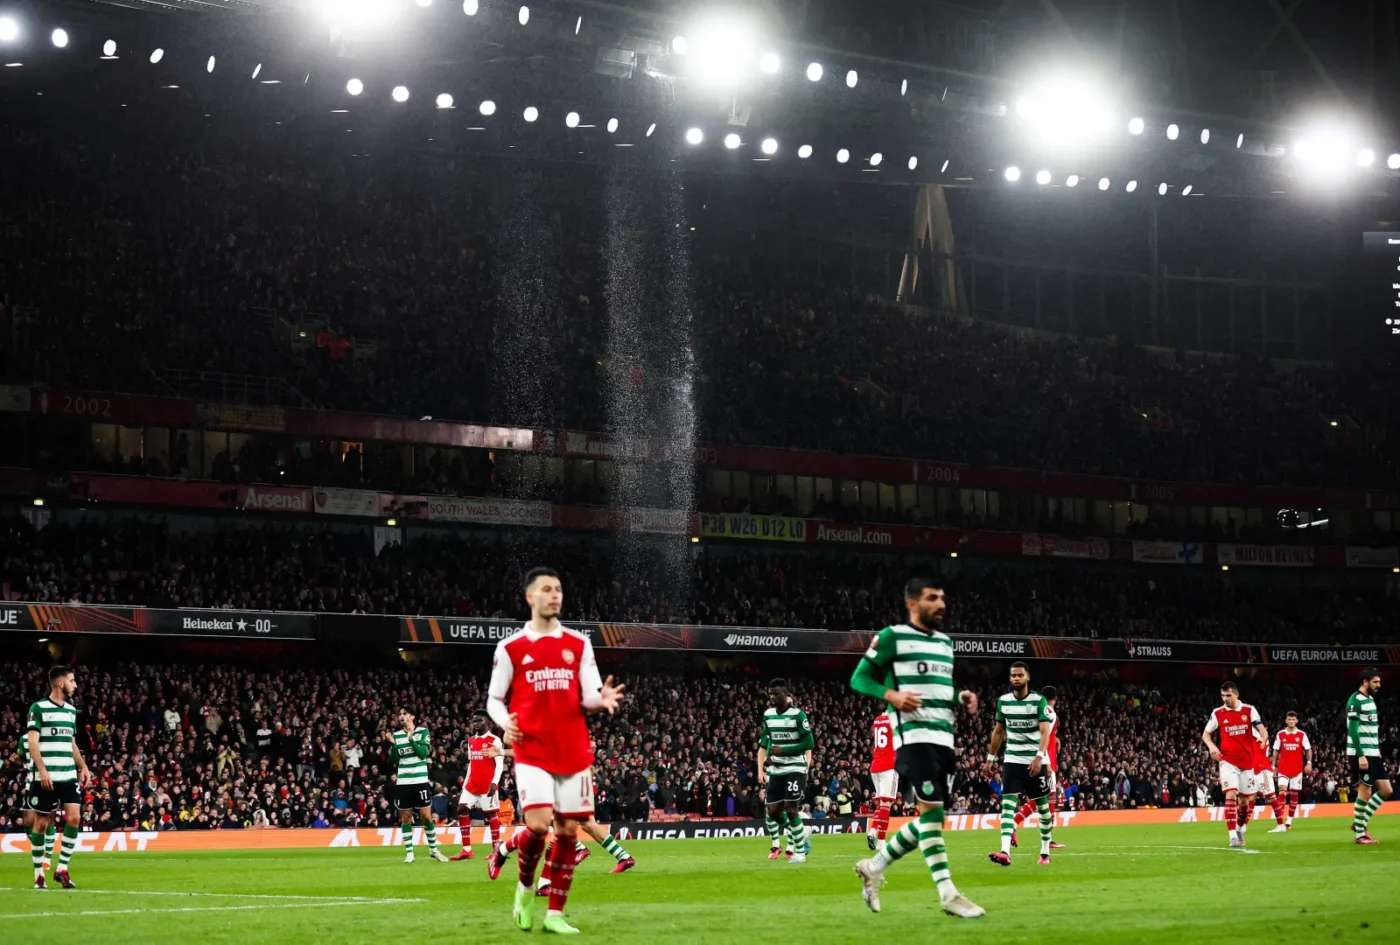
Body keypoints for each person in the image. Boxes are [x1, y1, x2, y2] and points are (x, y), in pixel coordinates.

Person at [484, 567, 625, 935]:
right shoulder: (511, 648)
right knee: (538, 824)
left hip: (574, 749)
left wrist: (601, 699)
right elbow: (494, 700)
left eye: (559, 589)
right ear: (530, 597)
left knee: (566, 832)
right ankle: (525, 888)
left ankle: (556, 914)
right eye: (546, 589)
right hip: (532, 749)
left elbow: (590, 692)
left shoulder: (579, 644)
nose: (554, 595)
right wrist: (505, 723)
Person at [851, 577, 985, 919]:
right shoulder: (893, 636)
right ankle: (948, 893)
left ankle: (874, 866)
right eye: (932, 598)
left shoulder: (944, 642)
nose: (941, 604)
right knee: (932, 814)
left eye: (943, 597)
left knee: (931, 818)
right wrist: (892, 695)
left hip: (944, 738)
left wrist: (961, 698)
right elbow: (860, 678)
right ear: (912, 603)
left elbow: (939, 692)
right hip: (912, 736)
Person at [23, 665, 92, 889]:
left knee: (74, 818)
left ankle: (61, 869)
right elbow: (33, 742)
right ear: (61, 683)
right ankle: (38, 875)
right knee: (41, 823)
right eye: (72, 681)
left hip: (67, 774)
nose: (75, 685)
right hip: (46, 776)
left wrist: (83, 766)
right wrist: (42, 770)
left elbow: (71, 743)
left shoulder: (71, 711)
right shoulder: (38, 708)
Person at [985, 662, 1055, 866]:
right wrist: (990, 759)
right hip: (1012, 761)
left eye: (1020, 675)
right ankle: (1005, 851)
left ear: (1027, 677)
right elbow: (998, 731)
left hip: (1034, 763)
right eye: (1013, 675)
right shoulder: (1003, 702)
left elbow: (1044, 732)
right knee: (1007, 806)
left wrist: (1039, 757)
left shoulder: (1038, 701)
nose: (1016, 678)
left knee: (1043, 809)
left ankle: (1044, 851)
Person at [1202, 680, 1266, 848]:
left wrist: (1264, 738)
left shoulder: (1249, 710)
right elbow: (1206, 735)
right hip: (1228, 761)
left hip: (1247, 762)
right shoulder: (1218, 713)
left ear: (1236, 694)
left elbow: (1261, 729)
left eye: (1228, 695)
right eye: (1223, 695)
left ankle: (1240, 827)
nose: (1225, 699)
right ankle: (1232, 836)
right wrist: (1212, 747)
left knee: (1245, 802)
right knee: (1230, 794)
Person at [757, 678, 814, 863]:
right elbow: (769, 742)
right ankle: (800, 830)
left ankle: (799, 853)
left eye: (777, 694)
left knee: (790, 808)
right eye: (771, 694)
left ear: (786, 695)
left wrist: (785, 750)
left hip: (795, 767)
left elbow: (809, 743)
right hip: (777, 769)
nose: (773, 697)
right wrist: (768, 760)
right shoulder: (768, 715)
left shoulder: (799, 715)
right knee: (773, 811)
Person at [385, 707, 449, 863]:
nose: (401, 716)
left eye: (404, 713)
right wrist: (393, 744)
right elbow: (394, 760)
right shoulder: (397, 735)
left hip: (420, 781)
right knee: (405, 818)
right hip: (403, 782)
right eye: (399, 714)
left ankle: (433, 850)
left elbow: (422, 753)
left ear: (412, 716)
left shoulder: (423, 732)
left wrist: (411, 738)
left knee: (426, 817)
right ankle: (409, 853)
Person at [1011, 684, 1065, 849]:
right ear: (1054, 699)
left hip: (1040, 759)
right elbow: (1044, 734)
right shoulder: (1049, 711)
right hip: (1045, 761)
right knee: (1043, 799)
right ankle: (1013, 823)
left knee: (1048, 800)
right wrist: (1046, 761)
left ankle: (1048, 840)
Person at [451, 713, 507, 861]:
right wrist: (465, 784)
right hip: (472, 784)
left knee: (491, 815)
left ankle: (496, 850)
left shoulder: (495, 740)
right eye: (474, 720)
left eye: (479, 720)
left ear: (487, 721)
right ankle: (467, 849)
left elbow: (500, 764)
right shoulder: (470, 741)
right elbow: (471, 764)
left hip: (487, 785)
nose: (476, 723)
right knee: (461, 809)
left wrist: (495, 783)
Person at [1347, 667, 1391, 844]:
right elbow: (1353, 729)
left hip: (1374, 752)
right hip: (1362, 753)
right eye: (1375, 682)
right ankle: (1360, 835)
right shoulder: (1355, 700)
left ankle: (1360, 823)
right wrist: (1361, 755)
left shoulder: (1370, 699)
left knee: (1386, 790)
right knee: (1365, 792)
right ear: (1365, 681)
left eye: (1379, 681)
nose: (1379, 685)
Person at [1271, 710, 1312, 829]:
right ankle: (1280, 822)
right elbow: (1275, 750)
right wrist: (1273, 766)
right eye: (1289, 719)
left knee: (1294, 795)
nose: (1291, 721)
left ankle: (1289, 821)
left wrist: (1308, 763)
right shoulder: (1280, 734)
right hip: (1283, 769)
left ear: (1297, 721)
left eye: (1293, 719)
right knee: (1282, 792)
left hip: (1297, 769)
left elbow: (1308, 749)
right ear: (1286, 720)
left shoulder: (1301, 734)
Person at [866, 711, 896, 850]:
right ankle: (881, 841)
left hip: (876, 766)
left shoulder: (878, 719)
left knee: (880, 805)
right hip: (889, 766)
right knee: (886, 805)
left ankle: (873, 833)